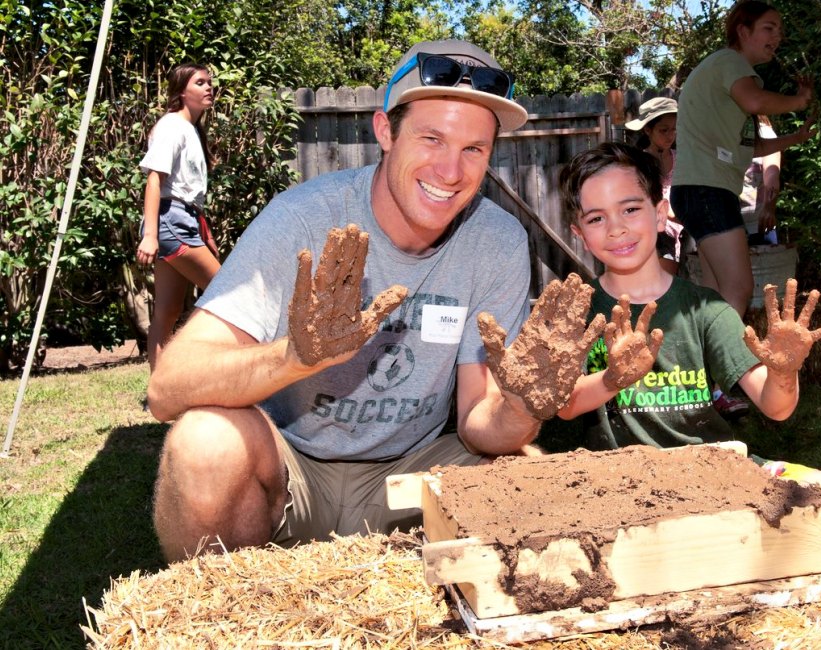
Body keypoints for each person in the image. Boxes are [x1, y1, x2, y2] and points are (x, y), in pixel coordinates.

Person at [146, 40, 603, 563]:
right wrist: (294, 357)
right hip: (291, 470)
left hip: (412, 473)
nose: (451, 171)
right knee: (203, 443)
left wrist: (522, 405)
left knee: (529, 477)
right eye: (432, 138)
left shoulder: (496, 240)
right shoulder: (303, 219)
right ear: (385, 131)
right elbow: (167, 388)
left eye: (474, 149)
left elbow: (480, 422)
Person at [555, 142, 821, 452]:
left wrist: (784, 371)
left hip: (708, 474)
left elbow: (777, 407)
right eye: (596, 219)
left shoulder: (707, 309)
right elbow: (565, 405)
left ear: (660, 214)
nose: (616, 228)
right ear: (579, 235)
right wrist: (611, 378)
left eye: (631, 209)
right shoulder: (576, 311)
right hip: (615, 485)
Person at [670, 0, 816, 417]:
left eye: (779, 32)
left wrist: (793, 138)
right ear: (743, 30)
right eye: (769, 28)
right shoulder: (732, 65)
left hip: (700, 190)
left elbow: (750, 147)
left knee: (717, 297)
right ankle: (706, 384)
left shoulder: (723, 74)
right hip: (707, 191)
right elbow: (756, 102)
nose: (776, 38)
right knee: (737, 290)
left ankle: (700, 383)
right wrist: (799, 100)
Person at [136, 63, 221, 373]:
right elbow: (154, 180)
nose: (209, 87)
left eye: (210, 82)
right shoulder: (172, 126)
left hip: (181, 219)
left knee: (168, 311)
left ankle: (160, 389)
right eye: (200, 82)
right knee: (225, 292)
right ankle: (204, 367)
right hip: (171, 221)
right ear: (182, 91)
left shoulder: (189, 129)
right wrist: (150, 235)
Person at [625, 96, 684, 274]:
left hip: (684, 228)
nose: (670, 136)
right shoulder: (638, 162)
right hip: (655, 231)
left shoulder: (682, 158)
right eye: (663, 130)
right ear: (648, 130)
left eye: (673, 130)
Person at [740, 115, 781, 246]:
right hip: (724, 224)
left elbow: (772, 174)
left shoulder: (765, 133)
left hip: (757, 223)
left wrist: (769, 207)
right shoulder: (720, 130)